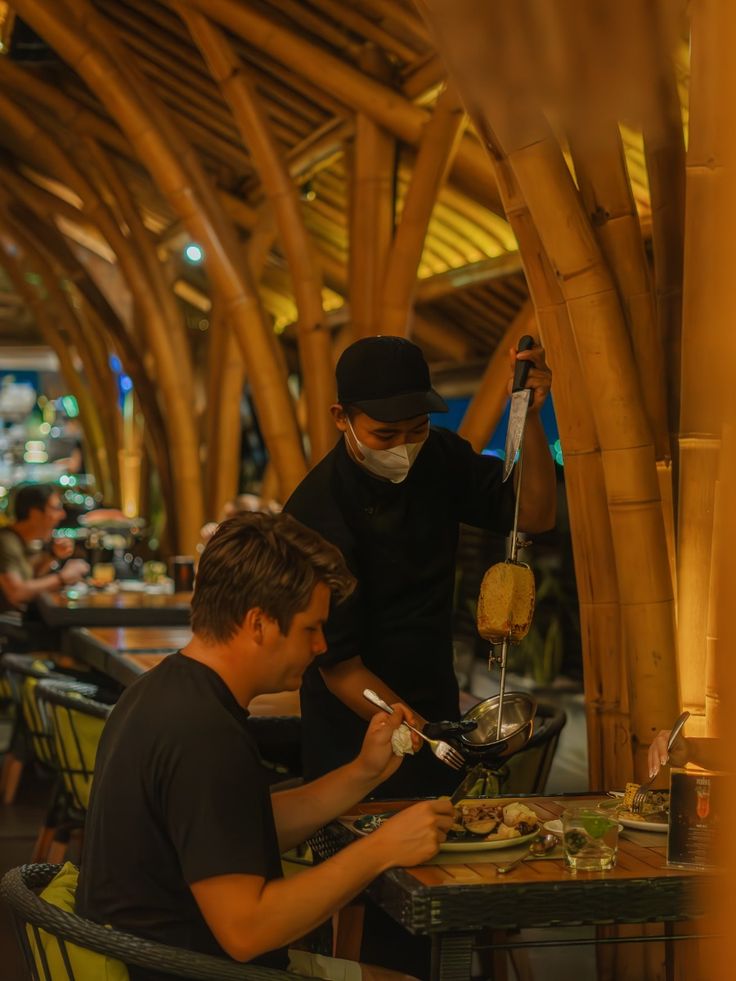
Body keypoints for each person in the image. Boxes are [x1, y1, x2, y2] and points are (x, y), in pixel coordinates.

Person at [77, 511, 454, 981]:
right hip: (186, 969)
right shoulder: (203, 733)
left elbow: (233, 830)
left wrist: (365, 771)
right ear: (258, 624)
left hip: (158, 957)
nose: (321, 646)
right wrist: (382, 848)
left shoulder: (164, 689)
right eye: (310, 629)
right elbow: (247, 931)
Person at [284, 335, 556, 799]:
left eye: (417, 429)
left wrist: (527, 415)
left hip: (436, 696)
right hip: (354, 720)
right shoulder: (315, 511)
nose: (404, 447)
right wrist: (423, 733)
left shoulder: (440, 458)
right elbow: (339, 667)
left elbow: (532, 514)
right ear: (341, 418)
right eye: (385, 435)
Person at [0, 482, 89, 613]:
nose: (62, 515)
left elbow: (30, 577)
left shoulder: (24, 541)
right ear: (35, 513)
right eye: (56, 508)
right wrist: (63, 578)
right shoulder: (5, 541)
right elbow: (17, 593)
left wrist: (53, 555)